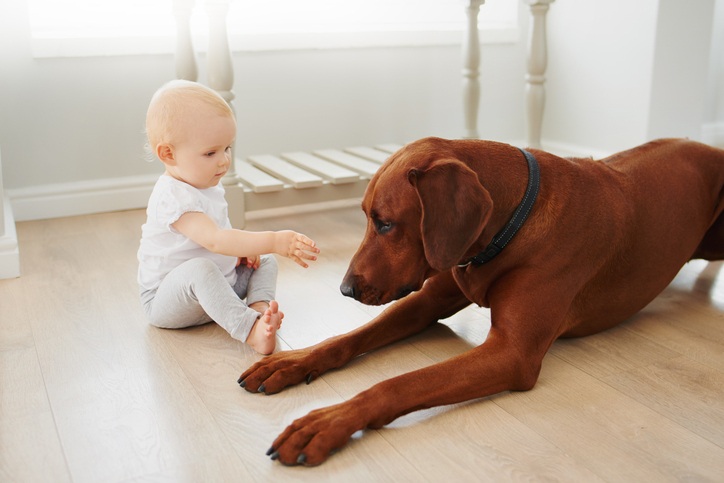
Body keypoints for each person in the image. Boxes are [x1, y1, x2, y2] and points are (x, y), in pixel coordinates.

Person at [137, 80, 319, 354]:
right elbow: (215, 240)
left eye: (227, 148)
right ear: (168, 154)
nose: (224, 160)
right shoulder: (172, 196)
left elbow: (224, 231)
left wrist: (240, 256)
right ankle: (249, 330)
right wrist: (274, 240)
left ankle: (259, 312)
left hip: (220, 288)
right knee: (201, 268)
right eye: (211, 152)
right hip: (169, 302)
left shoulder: (207, 181)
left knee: (265, 262)